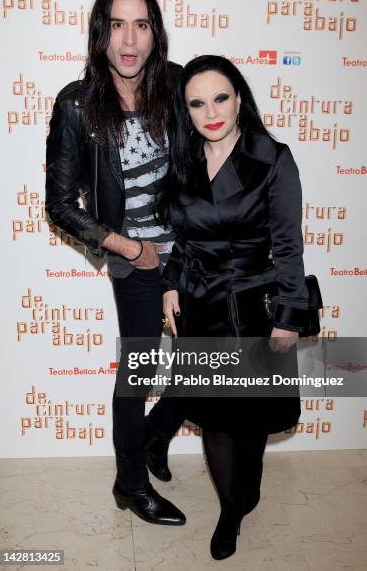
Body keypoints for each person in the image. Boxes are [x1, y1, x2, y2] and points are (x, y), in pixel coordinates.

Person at [45, 0, 187, 526]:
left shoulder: (176, 86)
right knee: (140, 370)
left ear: (155, 34)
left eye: (142, 24)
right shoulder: (77, 104)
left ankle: (154, 436)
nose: (130, 40)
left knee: (214, 364)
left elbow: (211, 156)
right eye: (118, 24)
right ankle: (131, 483)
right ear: (100, 34)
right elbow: (60, 204)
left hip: (189, 251)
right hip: (135, 260)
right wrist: (131, 248)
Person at [160, 55, 309, 559]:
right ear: (186, 111)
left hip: (255, 307)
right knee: (216, 419)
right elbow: (182, 243)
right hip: (201, 308)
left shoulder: (273, 158)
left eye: (220, 97)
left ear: (240, 98)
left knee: (250, 421)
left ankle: (245, 492)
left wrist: (290, 317)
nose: (211, 111)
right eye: (197, 103)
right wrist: (170, 283)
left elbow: (289, 247)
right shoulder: (181, 162)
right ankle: (228, 511)